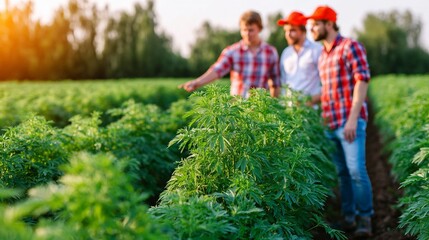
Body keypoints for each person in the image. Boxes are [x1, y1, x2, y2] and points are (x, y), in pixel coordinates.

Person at [306, 6, 374, 237]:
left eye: (314, 24)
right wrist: (305, 101)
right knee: (342, 174)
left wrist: (353, 119)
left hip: (349, 121)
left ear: (328, 23)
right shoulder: (323, 56)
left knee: (356, 171)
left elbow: (362, 80)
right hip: (330, 122)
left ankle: (365, 219)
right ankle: (348, 219)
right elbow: (328, 90)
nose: (311, 29)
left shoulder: (349, 47)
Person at [179, 10, 281, 98]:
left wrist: (273, 106)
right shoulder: (232, 51)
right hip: (237, 109)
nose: (247, 34)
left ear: (260, 29)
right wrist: (197, 82)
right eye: (244, 30)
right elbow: (217, 70)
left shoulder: (270, 52)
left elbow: (275, 83)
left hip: (260, 110)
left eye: (251, 30)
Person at [277, 11, 322, 107]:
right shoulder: (286, 53)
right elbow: (284, 83)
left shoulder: (317, 50)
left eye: (292, 30)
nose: (288, 34)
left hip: (311, 111)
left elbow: (325, 83)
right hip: (290, 112)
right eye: (286, 31)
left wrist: (311, 100)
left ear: (303, 31)